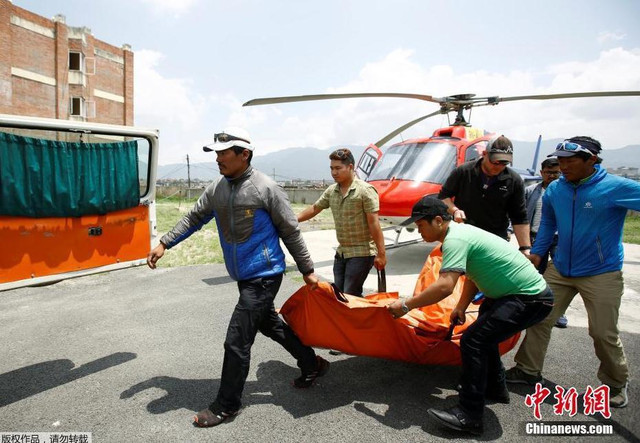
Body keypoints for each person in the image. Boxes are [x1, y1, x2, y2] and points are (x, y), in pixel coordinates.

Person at [146, 127, 330, 428]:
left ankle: (226, 405)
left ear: (244, 154)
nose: (218, 159)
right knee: (269, 325)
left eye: (223, 153)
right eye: (216, 153)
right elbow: (194, 218)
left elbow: (290, 230)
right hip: (244, 276)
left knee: (236, 341)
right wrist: (165, 242)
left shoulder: (265, 187)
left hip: (265, 275)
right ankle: (313, 364)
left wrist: (307, 270)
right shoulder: (217, 188)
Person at [387, 197, 552, 435]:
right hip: (511, 295)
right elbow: (474, 274)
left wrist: (406, 305)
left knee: (473, 341)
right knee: (485, 335)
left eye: (421, 225)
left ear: (437, 220)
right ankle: (494, 388)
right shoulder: (459, 234)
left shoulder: (455, 239)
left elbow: (444, 286)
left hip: (528, 298)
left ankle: (470, 415)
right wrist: (461, 306)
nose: (418, 229)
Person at [506, 136, 640, 409]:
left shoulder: (615, 187)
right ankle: (527, 370)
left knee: (603, 333)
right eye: (560, 160)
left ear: (591, 160)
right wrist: (537, 253)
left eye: (569, 161)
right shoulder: (556, 189)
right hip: (561, 268)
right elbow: (548, 224)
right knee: (539, 317)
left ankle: (616, 382)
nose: (562, 165)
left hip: (601, 272)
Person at [297, 148, 386, 296]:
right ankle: (351, 318)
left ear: (350, 167)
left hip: (362, 252)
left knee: (350, 294)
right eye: (331, 168)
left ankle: (357, 319)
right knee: (339, 294)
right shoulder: (332, 191)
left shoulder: (365, 191)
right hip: (341, 253)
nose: (334, 172)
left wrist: (381, 254)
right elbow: (315, 208)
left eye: (338, 168)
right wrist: (293, 220)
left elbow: (374, 224)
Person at [439, 135, 532, 252]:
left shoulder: (514, 180)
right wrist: (455, 210)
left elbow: (519, 217)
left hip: (495, 240)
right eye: (495, 162)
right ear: (484, 154)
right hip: (463, 235)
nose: (498, 167)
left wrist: (525, 248)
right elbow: (443, 197)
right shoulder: (463, 171)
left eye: (504, 163)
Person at [526, 158, 567, 328]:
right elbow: (521, 212)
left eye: (556, 173)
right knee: (534, 273)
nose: (552, 176)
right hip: (536, 237)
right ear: (541, 173)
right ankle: (532, 307)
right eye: (548, 172)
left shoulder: (566, 192)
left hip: (559, 238)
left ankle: (558, 311)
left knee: (559, 275)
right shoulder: (530, 191)